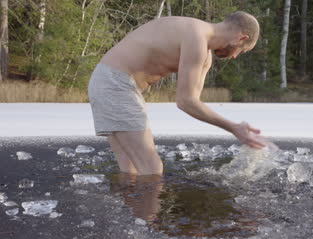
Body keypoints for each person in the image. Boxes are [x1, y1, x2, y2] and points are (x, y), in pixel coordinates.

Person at [88, 11, 265, 176]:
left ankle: (127, 208)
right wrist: (234, 128)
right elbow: (185, 101)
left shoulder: (203, 50)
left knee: (131, 169)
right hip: (115, 83)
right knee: (152, 169)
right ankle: (147, 210)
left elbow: (193, 102)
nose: (235, 56)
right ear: (241, 38)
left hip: (111, 83)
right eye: (241, 51)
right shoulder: (196, 36)